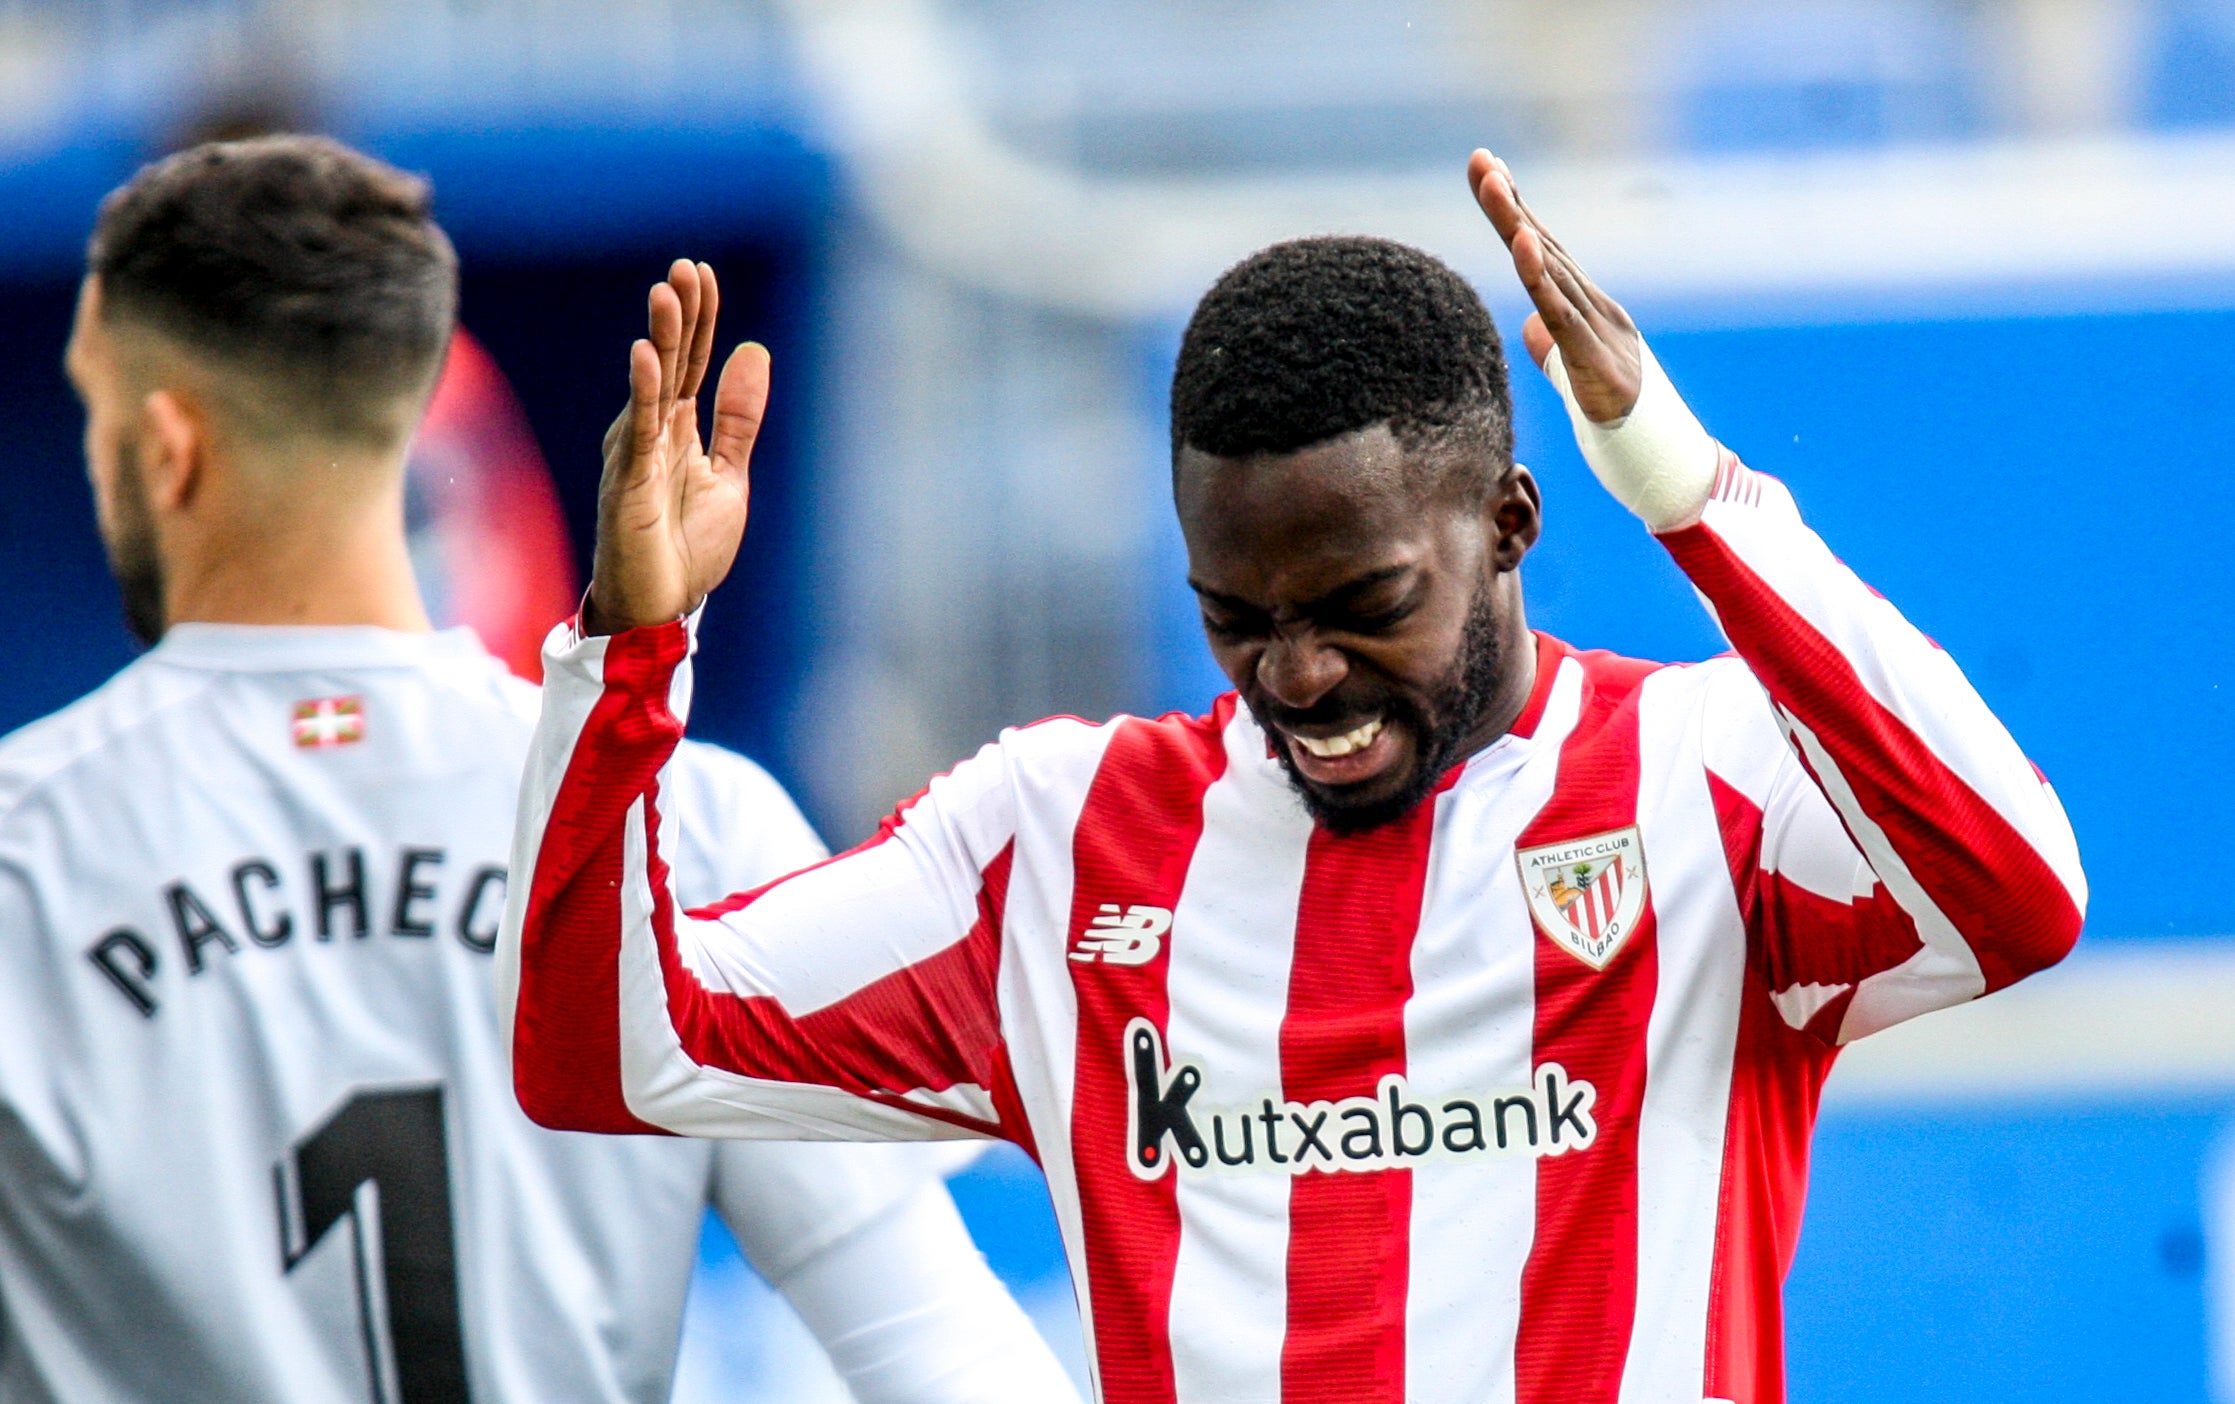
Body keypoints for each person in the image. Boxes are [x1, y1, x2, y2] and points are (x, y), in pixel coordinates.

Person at [502, 150, 2087, 1404]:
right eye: (1234, 620)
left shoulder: (1701, 780)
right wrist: (630, 645)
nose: (1298, 677)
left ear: (1514, 522)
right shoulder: (1050, 842)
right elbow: (606, 1050)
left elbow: (2015, 891)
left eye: (1364, 607)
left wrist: (1687, 489)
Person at [0, 134, 1078, 1404]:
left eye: (97, 408)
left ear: (168, 443)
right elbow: (936, 1348)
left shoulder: (27, 847)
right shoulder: (687, 822)